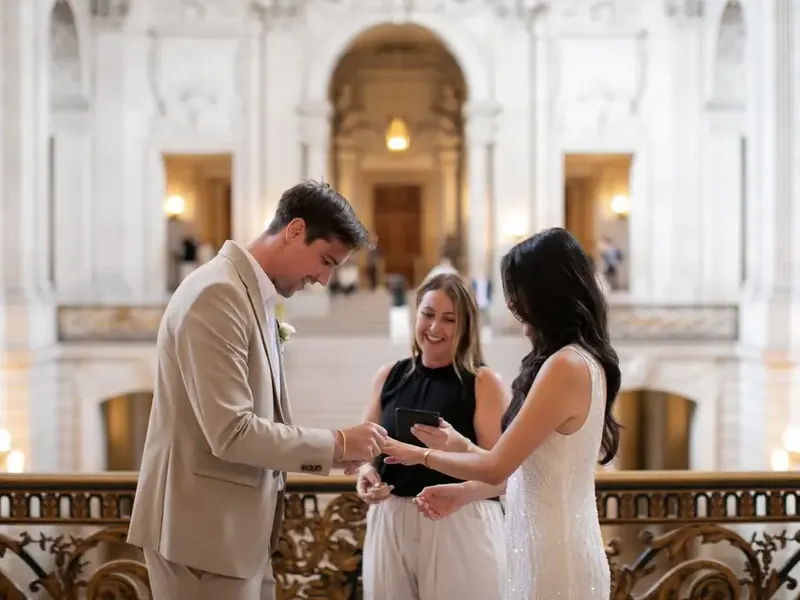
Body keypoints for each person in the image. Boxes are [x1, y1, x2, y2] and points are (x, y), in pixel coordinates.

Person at [127, 180, 389, 600]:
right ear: (295, 230)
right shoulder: (218, 294)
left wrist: (335, 454)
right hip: (200, 538)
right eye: (325, 261)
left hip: (237, 535)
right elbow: (231, 432)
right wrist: (337, 443)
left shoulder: (250, 293)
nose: (324, 279)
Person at [383, 227, 621, 600]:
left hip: (555, 558)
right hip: (538, 546)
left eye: (517, 292)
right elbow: (525, 470)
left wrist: (419, 455)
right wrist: (462, 456)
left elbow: (498, 467)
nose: (511, 304)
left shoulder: (566, 366)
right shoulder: (574, 360)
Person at [357, 273, 508, 600]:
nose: (434, 327)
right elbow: (365, 449)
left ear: (466, 325)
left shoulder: (483, 383)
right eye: (427, 314)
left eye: (449, 319)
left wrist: (461, 493)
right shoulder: (389, 376)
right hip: (391, 519)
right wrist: (366, 474)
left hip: (460, 520)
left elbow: (504, 476)